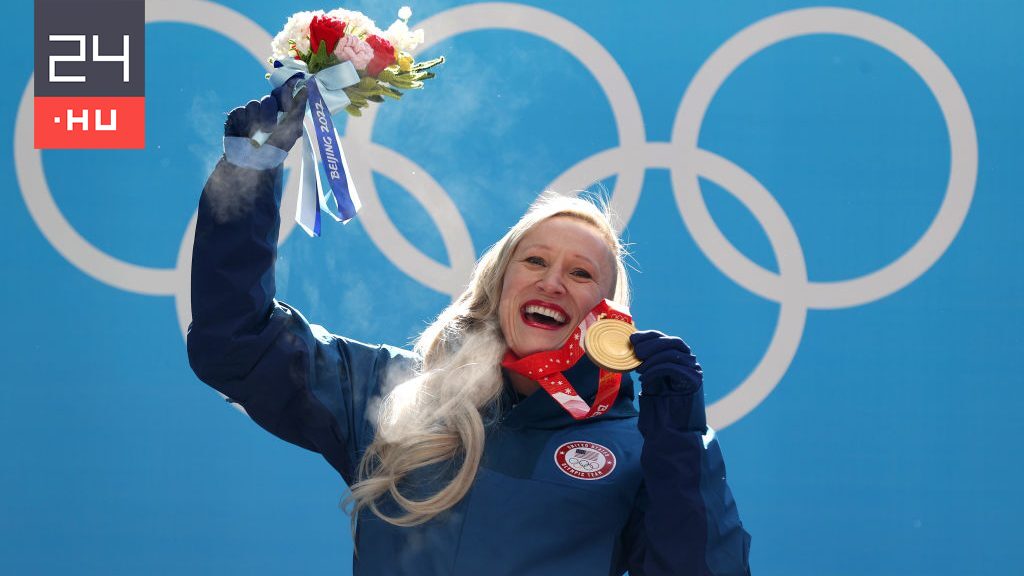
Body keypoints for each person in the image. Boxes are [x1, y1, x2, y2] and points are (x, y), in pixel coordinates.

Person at [187, 80, 751, 576]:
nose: (552, 282)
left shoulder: (638, 442)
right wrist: (248, 174)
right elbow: (235, 343)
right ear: (499, 283)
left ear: (607, 315)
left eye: (580, 274)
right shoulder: (393, 393)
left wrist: (681, 445)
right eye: (534, 262)